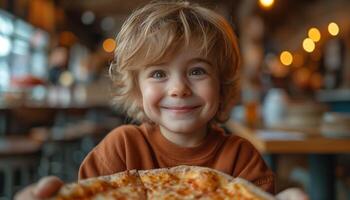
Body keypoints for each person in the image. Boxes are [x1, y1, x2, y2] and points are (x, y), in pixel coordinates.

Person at [15, 1, 308, 199]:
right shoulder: (120, 150)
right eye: (158, 74)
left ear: (222, 85)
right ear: (137, 90)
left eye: (196, 71)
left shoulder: (242, 160)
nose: (178, 88)